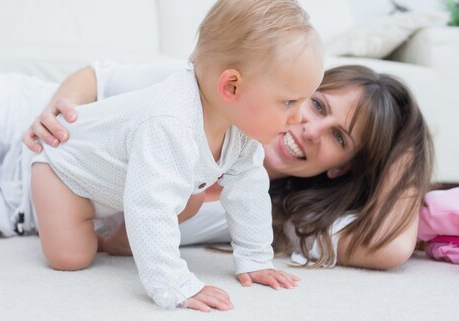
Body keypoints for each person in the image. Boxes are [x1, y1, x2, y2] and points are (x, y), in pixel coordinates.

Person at [0, 0, 323, 312]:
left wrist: (253, 259)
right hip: (40, 143)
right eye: (292, 101)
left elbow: (247, 197)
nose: (300, 117)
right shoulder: (170, 117)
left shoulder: (243, 137)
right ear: (230, 86)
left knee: (72, 255)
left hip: (22, 203)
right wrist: (175, 284)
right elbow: (148, 207)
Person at [27, 62, 433, 270]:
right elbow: (97, 76)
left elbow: (388, 248)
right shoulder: (198, 94)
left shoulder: (267, 214)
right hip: (23, 125)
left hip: (25, 212)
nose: (312, 130)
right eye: (318, 104)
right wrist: (52, 114)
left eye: (339, 138)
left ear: (341, 169)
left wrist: (406, 147)